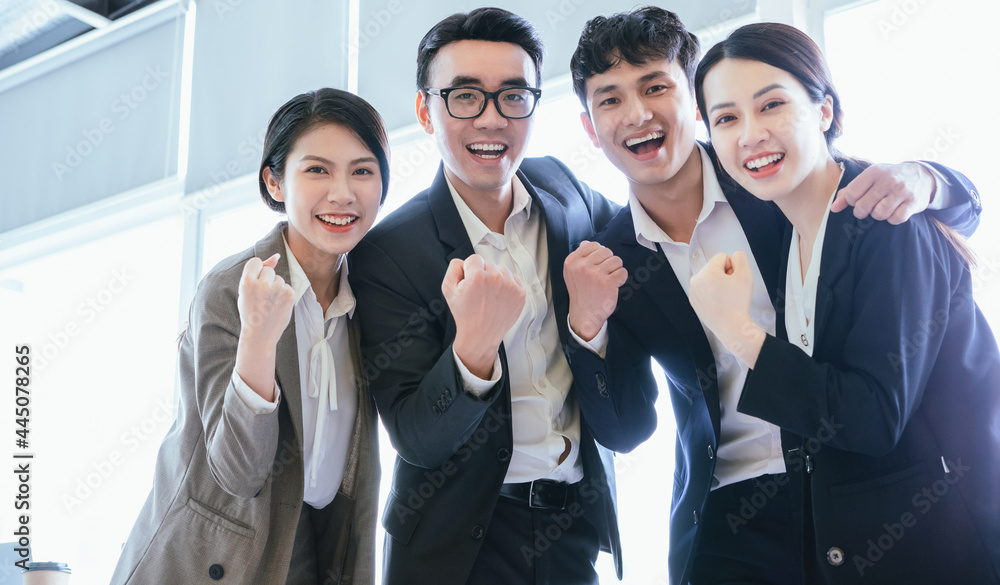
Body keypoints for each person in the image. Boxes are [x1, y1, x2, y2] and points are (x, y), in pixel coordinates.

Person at [560, 7, 984, 585]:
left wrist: (928, 178)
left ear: (694, 99)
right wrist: (588, 328)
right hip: (730, 504)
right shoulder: (610, 258)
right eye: (609, 99)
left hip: (850, 474)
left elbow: (891, 216)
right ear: (589, 126)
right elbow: (628, 430)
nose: (637, 114)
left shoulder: (771, 176)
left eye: (656, 86)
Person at [686, 22, 999, 583]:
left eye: (772, 105)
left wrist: (741, 333)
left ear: (824, 111)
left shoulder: (889, 222)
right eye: (726, 118)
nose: (750, 134)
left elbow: (874, 418)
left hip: (951, 544)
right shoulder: (785, 236)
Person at [349, 7, 622, 585]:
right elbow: (416, 438)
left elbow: (654, 233)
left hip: (572, 528)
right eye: (465, 97)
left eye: (513, 96)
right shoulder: (388, 252)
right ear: (426, 110)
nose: (492, 120)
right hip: (458, 547)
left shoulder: (563, 189)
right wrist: (472, 351)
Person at [110, 88, 386, 585]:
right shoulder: (231, 288)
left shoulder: (371, 297)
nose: (343, 192)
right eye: (317, 170)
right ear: (275, 182)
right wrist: (259, 337)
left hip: (312, 552)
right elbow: (237, 472)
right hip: (211, 560)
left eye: (362, 171)